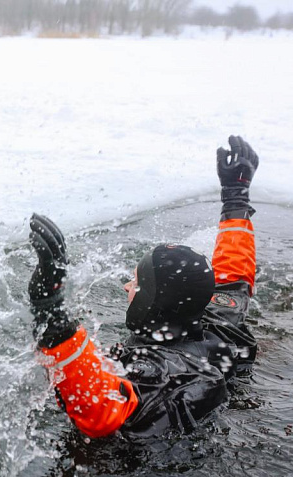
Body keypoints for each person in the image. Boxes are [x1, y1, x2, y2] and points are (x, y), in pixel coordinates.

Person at [29, 135, 258, 439]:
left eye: (136, 283)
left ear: (156, 301)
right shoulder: (217, 320)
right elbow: (233, 273)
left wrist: (52, 315)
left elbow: (103, 411)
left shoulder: (160, 370)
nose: (126, 287)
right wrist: (236, 195)